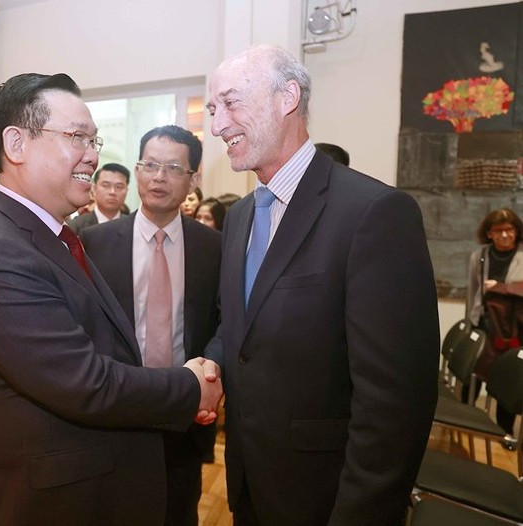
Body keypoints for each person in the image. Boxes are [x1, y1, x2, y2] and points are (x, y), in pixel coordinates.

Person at [0, 73, 222, 525]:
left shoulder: (50, 237)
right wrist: (191, 386)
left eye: (95, 140)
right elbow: (84, 382)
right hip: (51, 504)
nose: (94, 156)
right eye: (78, 138)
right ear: (16, 145)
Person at [204, 44, 439, 525]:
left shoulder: (373, 214)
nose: (216, 125)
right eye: (212, 109)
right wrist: (209, 366)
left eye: (230, 102)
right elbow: (239, 328)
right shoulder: (242, 216)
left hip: (328, 498)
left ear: (287, 96)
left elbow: (395, 405)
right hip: (250, 483)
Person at [80, 124, 221, 526]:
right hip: (116, 413)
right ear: (137, 170)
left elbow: (221, 321)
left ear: (194, 179)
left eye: (174, 168)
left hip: (184, 413)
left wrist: (209, 379)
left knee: (178, 512)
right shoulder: (94, 243)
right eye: (150, 165)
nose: (159, 177)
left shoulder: (214, 247)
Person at [466, 208, 522, 449]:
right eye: (499, 231)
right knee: (473, 374)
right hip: (486, 325)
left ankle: (504, 432)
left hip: (517, 330)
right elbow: (472, 293)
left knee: (509, 381)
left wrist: (501, 287)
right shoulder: (479, 257)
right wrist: (470, 323)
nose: (506, 235)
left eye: (510, 229)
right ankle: (467, 420)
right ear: (489, 233)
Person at [67, 162, 130, 233]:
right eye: (106, 185)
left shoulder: (133, 226)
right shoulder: (75, 227)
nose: (112, 192)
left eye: (119, 187)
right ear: (94, 188)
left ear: (127, 190)